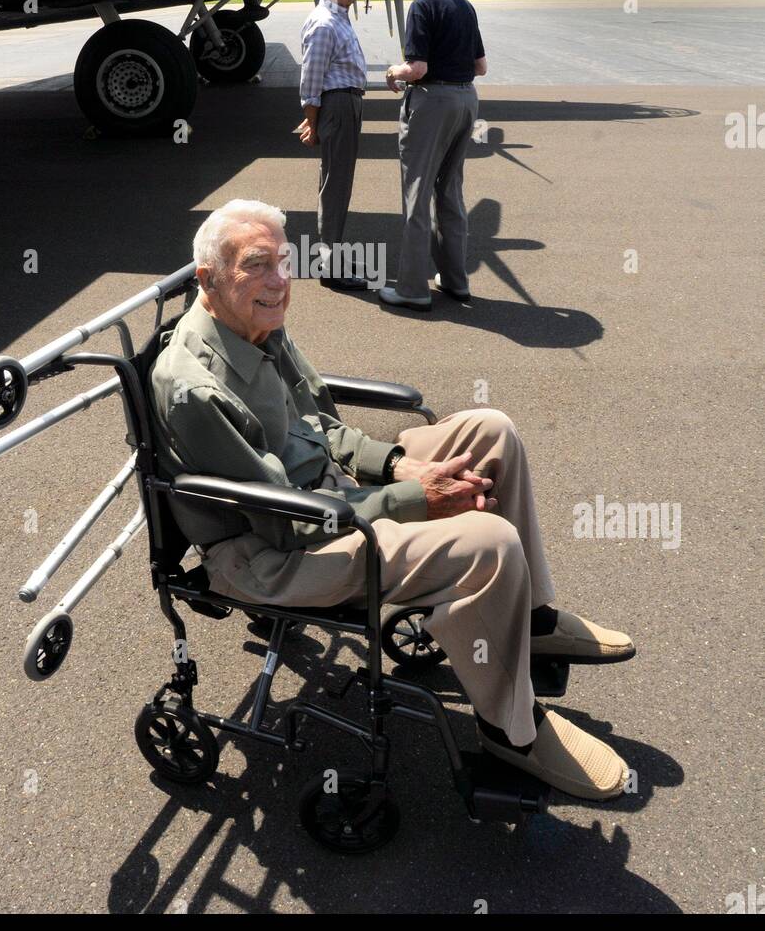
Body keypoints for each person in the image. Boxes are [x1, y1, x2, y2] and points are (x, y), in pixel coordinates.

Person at [150, 199, 636, 801]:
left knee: (491, 432)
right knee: (489, 542)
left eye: (283, 260)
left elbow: (320, 425)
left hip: (331, 496)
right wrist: (414, 499)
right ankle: (512, 733)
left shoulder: (255, 322)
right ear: (210, 279)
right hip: (277, 552)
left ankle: (531, 620)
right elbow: (282, 523)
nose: (281, 280)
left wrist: (400, 465)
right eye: (258, 265)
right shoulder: (195, 388)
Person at [380, 0, 485, 311]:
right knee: (451, 190)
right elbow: (481, 66)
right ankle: (456, 280)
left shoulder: (423, 5)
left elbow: (417, 68)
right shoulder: (464, 5)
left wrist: (393, 72)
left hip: (432, 100)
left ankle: (412, 288)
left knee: (417, 192)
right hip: (466, 100)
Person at [295, 0, 367, 292]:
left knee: (338, 183)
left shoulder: (338, 17)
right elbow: (311, 80)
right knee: (336, 187)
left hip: (344, 104)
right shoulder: (324, 23)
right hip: (338, 105)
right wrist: (313, 120)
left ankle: (333, 253)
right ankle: (331, 267)